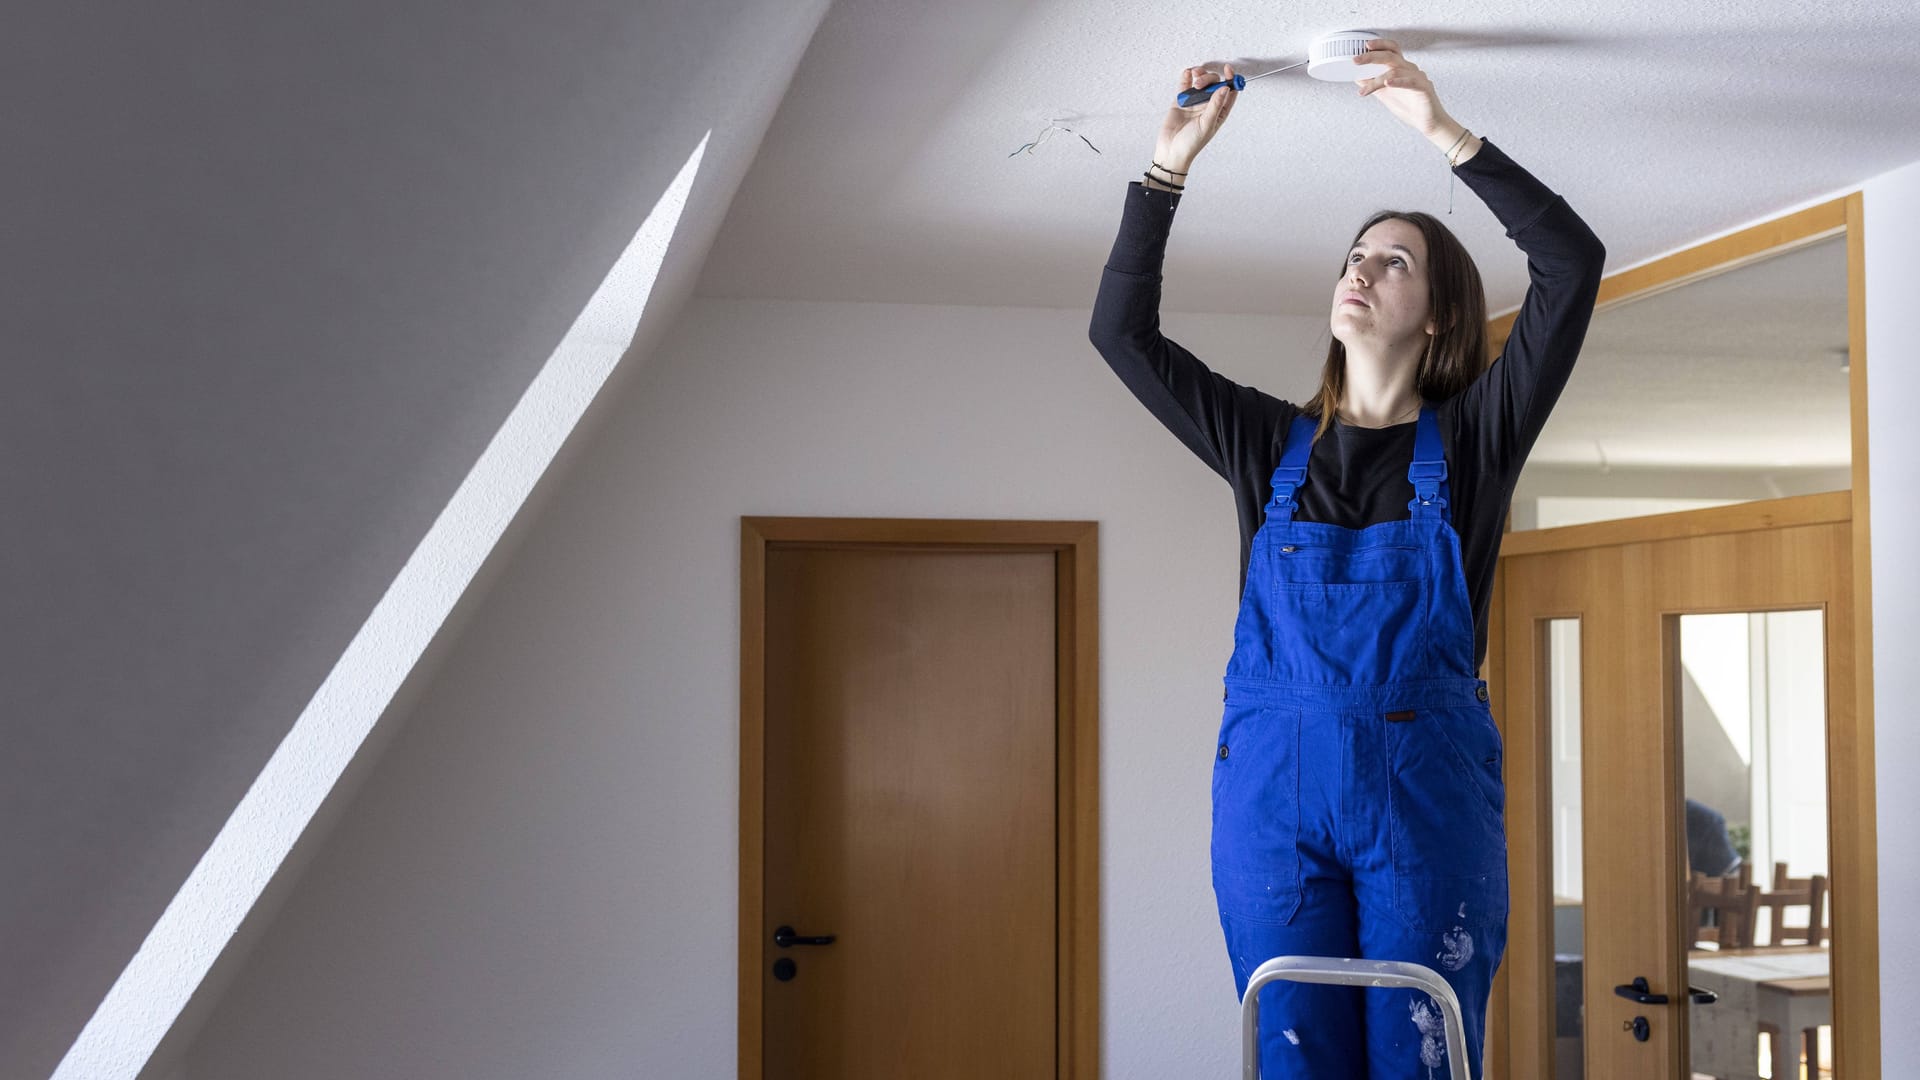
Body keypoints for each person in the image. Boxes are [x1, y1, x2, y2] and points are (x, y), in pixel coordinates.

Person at [1088, 44, 1606, 1078]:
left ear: (1441, 312)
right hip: (1273, 796)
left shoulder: (1473, 444)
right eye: (1354, 257)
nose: (1361, 270)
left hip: (1424, 794)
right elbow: (1120, 332)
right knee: (1292, 1053)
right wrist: (1166, 169)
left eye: (1393, 260)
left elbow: (1570, 263)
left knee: (1422, 1050)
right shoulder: (1263, 446)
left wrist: (1441, 130)